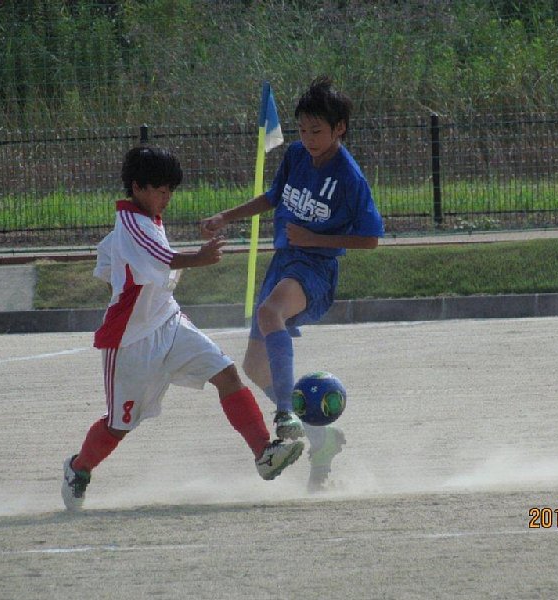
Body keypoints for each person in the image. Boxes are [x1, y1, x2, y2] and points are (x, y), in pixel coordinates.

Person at [61, 146, 304, 511]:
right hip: (130, 341)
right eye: (161, 191)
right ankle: (78, 468)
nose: (167, 198)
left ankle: (264, 453)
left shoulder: (145, 219)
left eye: (171, 191)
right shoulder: (131, 222)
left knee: (226, 373)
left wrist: (122, 280)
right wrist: (199, 258)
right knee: (119, 425)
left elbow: (108, 260)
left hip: (170, 322)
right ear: (137, 187)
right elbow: (162, 258)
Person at [201, 76, 384, 491]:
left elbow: (371, 238)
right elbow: (273, 197)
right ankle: (320, 437)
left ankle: (286, 413)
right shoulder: (297, 155)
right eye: (302, 129)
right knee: (253, 366)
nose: (307, 138)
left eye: (316, 131)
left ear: (339, 128)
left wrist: (315, 239)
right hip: (284, 263)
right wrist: (226, 216)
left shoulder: (350, 178)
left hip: (315, 268)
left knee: (270, 313)